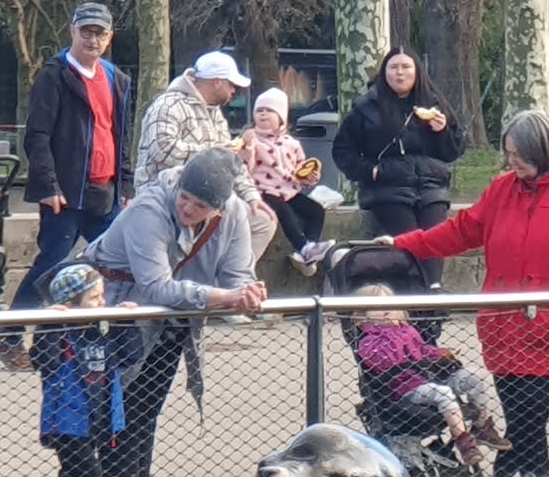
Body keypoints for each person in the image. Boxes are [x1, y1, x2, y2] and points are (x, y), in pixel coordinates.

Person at [384, 110, 549, 477]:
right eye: (509, 153)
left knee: (527, 420)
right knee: (526, 424)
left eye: (519, 154)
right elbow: (462, 231)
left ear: (540, 151)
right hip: (505, 327)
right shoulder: (503, 188)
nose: (511, 161)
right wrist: (406, 245)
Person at [83, 146, 266, 477]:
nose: (188, 209)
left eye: (200, 206)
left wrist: (248, 294)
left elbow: (238, 276)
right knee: (111, 417)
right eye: (184, 198)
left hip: (171, 321)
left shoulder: (234, 214)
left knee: (144, 415)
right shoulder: (149, 208)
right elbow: (155, 286)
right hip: (117, 314)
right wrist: (225, 297)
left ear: (219, 208)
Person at [0, 2, 132, 361]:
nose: (92, 39)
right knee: (51, 264)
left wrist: (126, 186)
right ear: (72, 31)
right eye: (85, 31)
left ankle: (117, 339)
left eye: (99, 33)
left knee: (121, 261)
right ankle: (9, 333)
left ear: (109, 37)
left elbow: (121, 134)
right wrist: (48, 185)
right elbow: (37, 136)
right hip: (66, 193)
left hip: (105, 192)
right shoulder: (54, 75)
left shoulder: (116, 79)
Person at [333, 48, 465, 294]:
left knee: (435, 234)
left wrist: (443, 131)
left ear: (417, 72)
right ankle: (427, 293)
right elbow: (343, 150)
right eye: (393, 67)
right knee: (409, 236)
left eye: (406, 67)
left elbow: (453, 151)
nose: (400, 73)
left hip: (430, 185)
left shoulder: (435, 104)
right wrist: (370, 171)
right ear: (384, 72)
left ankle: (432, 289)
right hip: (387, 186)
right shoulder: (367, 107)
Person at [133, 50, 273, 264]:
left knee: (262, 221)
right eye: (232, 85)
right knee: (218, 214)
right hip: (167, 196)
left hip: (207, 196)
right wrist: (211, 152)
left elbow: (228, 159)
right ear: (217, 82)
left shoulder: (214, 112)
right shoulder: (168, 105)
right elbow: (161, 151)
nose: (234, 91)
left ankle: (230, 276)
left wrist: (252, 196)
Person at [351, 283, 507, 470]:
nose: (385, 310)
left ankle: (481, 425)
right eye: (376, 307)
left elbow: (422, 350)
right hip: (404, 388)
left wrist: (439, 354)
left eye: (388, 304)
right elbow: (386, 361)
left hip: (428, 378)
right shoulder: (368, 341)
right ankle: (464, 443)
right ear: (363, 315)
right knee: (443, 393)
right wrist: (391, 333)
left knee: (473, 376)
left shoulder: (407, 330)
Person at [31, 262, 144, 477]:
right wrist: (49, 324)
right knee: (85, 476)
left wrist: (126, 323)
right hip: (68, 420)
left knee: (96, 476)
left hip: (103, 414)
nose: (102, 302)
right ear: (70, 304)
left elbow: (130, 357)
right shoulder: (61, 332)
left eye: (102, 296)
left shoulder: (100, 329)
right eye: (94, 298)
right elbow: (44, 359)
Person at [239, 88, 333, 274]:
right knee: (284, 211)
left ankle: (307, 250)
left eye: (269, 110)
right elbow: (244, 167)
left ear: (281, 117)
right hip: (263, 191)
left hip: (289, 190)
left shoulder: (292, 143)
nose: (263, 114)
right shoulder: (252, 140)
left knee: (316, 211)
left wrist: (309, 177)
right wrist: (248, 147)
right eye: (259, 110)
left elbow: (300, 170)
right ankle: (304, 247)